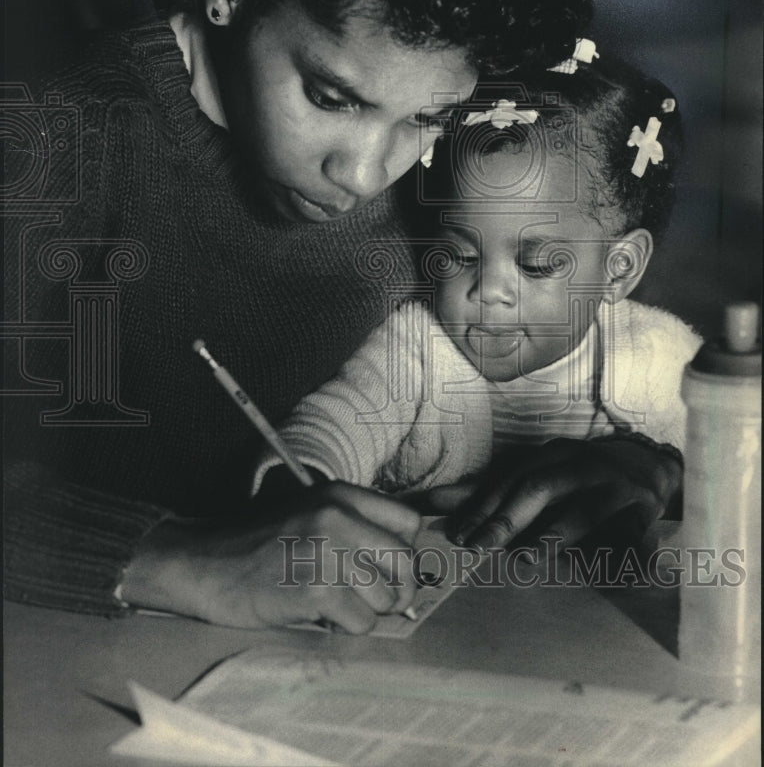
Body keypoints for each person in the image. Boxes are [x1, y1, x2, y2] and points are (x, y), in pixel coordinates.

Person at [3, 0, 594, 632]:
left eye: (428, 119)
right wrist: (176, 558)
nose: (363, 172)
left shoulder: (462, 175)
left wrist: (626, 456)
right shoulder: (51, 141)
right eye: (330, 96)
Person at [254, 45, 701, 553]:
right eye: (459, 256)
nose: (488, 292)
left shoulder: (663, 358)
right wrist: (295, 490)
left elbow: (733, 472)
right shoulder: (417, 348)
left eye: (536, 265)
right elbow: (331, 426)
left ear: (618, 269)